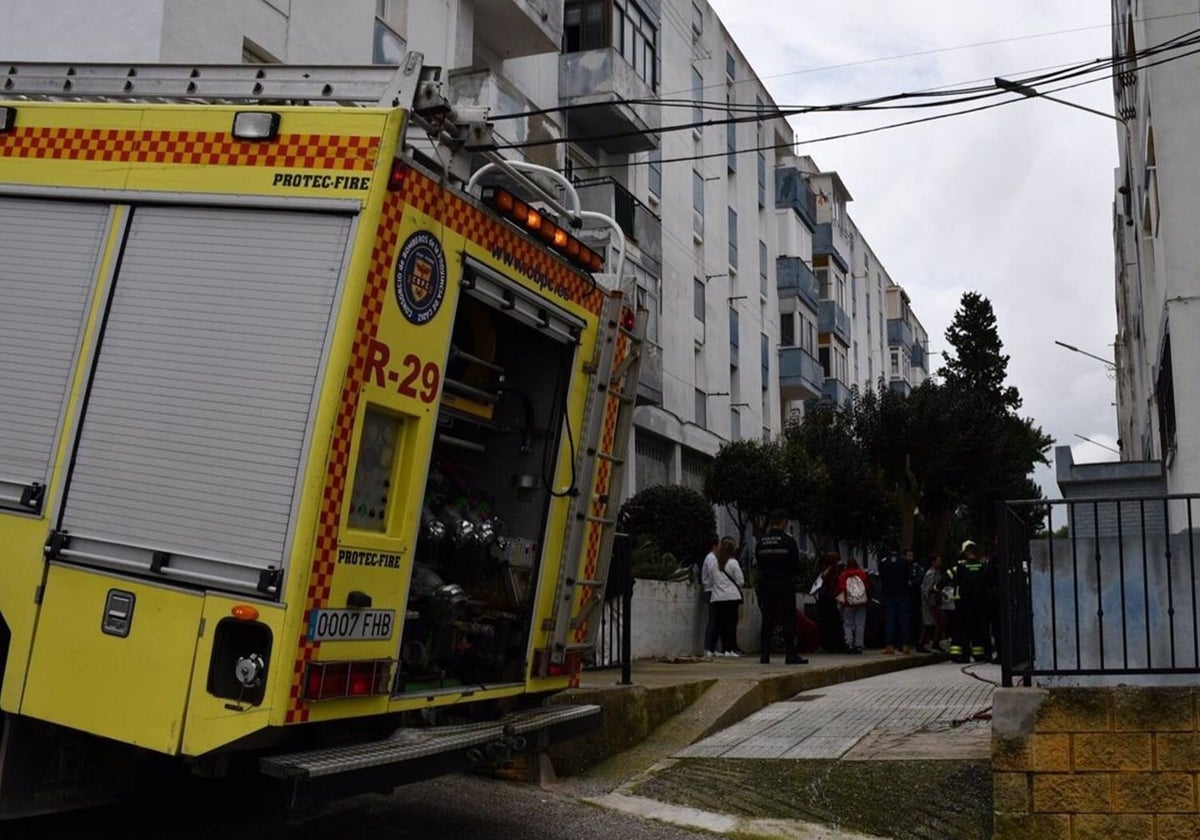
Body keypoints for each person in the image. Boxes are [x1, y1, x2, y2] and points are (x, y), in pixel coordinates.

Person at [754, 510, 807, 665]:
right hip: (784, 585)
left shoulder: (761, 542)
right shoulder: (788, 541)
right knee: (788, 619)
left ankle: (765, 655)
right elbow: (796, 565)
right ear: (783, 522)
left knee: (767, 619)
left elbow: (759, 563)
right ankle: (790, 654)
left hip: (766, 584)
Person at [945, 539, 992, 663]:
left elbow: (946, 578)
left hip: (963, 603)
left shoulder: (959, 566)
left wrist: (935, 589)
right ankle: (980, 654)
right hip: (980, 603)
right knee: (978, 628)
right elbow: (990, 582)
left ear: (964, 552)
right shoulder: (983, 566)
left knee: (962, 628)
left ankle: (962, 655)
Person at [706, 536, 745, 657]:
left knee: (717, 623)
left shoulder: (714, 563)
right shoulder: (733, 563)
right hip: (731, 597)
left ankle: (710, 649)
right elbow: (740, 581)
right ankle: (728, 649)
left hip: (717, 597)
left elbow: (711, 580)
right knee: (730, 624)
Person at [877, 548, 911, 654]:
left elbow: (881, 577)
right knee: (903, 619)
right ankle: (905, 645)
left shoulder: (884, 562)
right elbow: (907, 577)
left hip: (888, 594)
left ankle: (889, 645)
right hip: (902, 594)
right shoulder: (904, 562)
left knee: (890, 620)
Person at [836, 554, 870, 654]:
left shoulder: (844, 574)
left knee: (848, 624)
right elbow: (867, 587)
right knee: (860, 624)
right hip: (861, 602)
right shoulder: (862, 574)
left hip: (848, 603)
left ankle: (849, 644)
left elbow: (841, 588)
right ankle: (859, 645)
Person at [815, 552, 844, 653]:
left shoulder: (824, 569)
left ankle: (828, 644)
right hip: (829, 599)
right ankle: (834, 645)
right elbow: (829, 581)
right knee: (833, 622)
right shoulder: (832, 570)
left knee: (827, 622)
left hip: (825, 598)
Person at [918, 554, 944, 652]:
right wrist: (930, 602)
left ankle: (930, 642)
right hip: (931, 602)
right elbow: (927, 589)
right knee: (933, 622)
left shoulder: (937, 573)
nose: (940, 563)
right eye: (938, 561)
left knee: (933, 623)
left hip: (935, 601)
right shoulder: (931, 574)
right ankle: (924, 643)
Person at [699, 536, 720, 658]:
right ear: (715, 545)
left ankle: (712, 647)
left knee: (715, 620)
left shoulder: (711, 558)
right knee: (713, 620)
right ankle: (708, 647)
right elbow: (714, 575)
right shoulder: (711, 559)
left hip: (711, 589)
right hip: (711, 590)